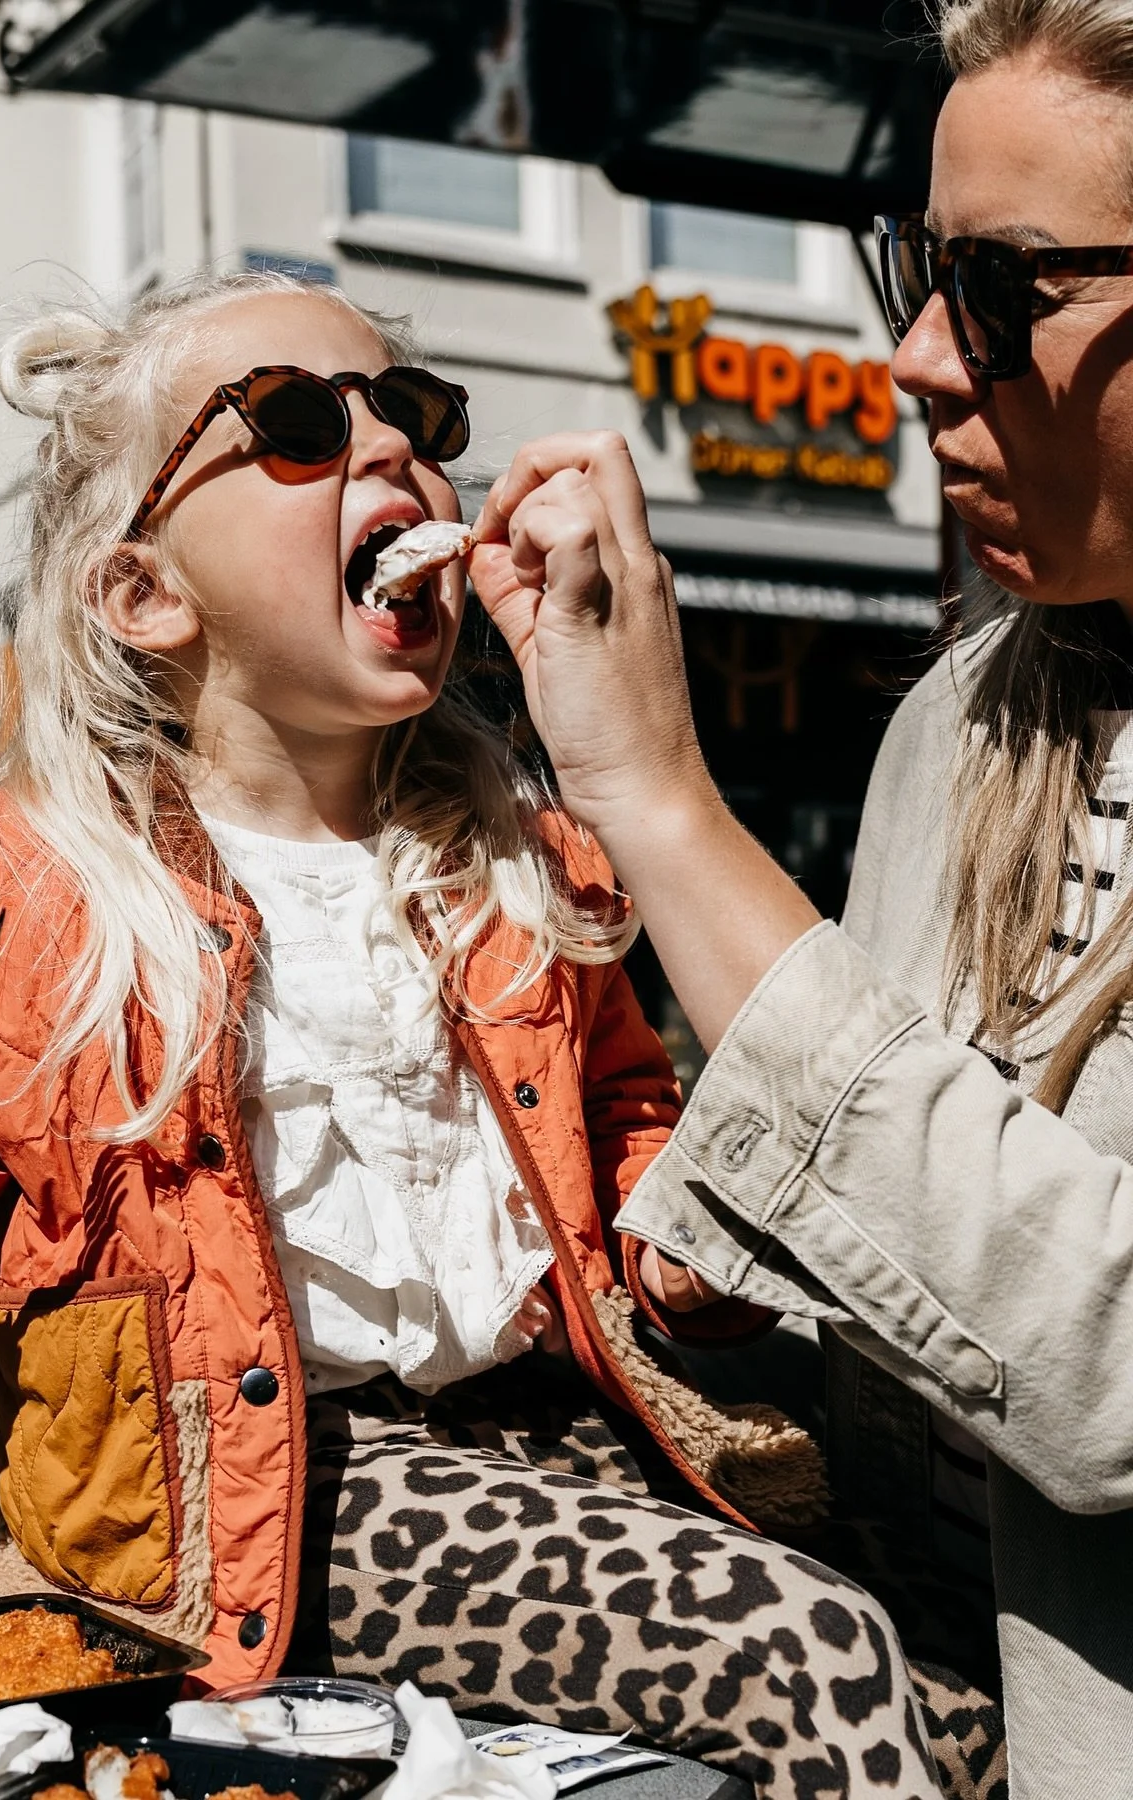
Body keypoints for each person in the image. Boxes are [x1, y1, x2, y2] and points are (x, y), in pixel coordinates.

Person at [0, 272, 989, 1798]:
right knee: (802, 1653)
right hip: (269, 1486)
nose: (393, 451)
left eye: (416, 415)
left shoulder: (524, 853)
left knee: (956, 1657)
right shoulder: (28, 884)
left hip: (565, 1429)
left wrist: (682, 1256)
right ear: (145, 596)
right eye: (298, 426)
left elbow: (632, 1124)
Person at [454, 3, 1133, 1795]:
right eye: (915, 263)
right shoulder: (962, 719)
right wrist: (727, 1281)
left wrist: (663, 802)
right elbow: (925, 1289)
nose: (916, 356)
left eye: (1006, 286)